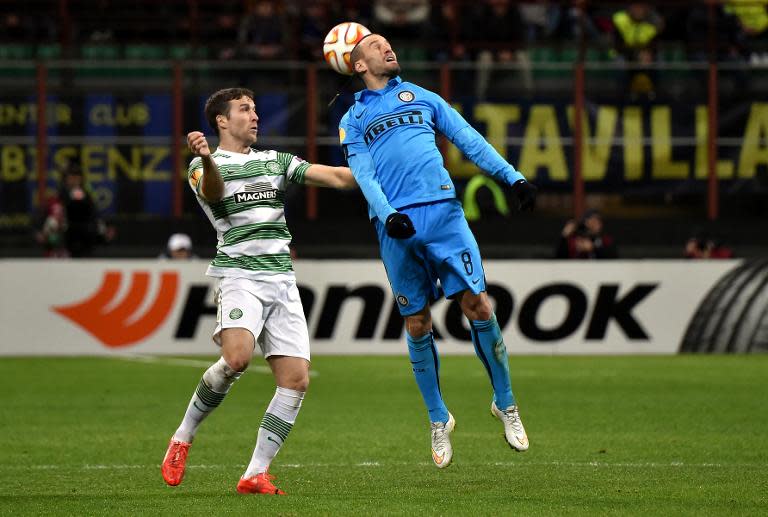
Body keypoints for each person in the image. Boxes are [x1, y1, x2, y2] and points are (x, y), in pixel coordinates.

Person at [338, 33, 537, 469]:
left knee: (479, 305)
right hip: (396, 226)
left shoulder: (423, 97)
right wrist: (388, 213)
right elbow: (363, 173)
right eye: (375, 46)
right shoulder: (353, 119)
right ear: (357, 64)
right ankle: (437, 418)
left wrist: (513, 178)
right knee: (417, 321)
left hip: (444, 213)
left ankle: (505, 403)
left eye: (388, 43)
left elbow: (468, 139)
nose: (387, 49)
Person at [161, 87, 356, 495]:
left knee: (296, 380)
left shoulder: (275, 160)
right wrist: (209, 158)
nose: (254, 116)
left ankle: (255, 473)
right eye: (245, 110)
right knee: (236, 360)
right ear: (221, 120)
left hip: (281, 281)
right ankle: (182, 437)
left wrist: (388, 171)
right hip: (240, 276)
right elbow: (213, 192)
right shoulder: (202, 166)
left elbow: (338, 177)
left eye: (255, 109)